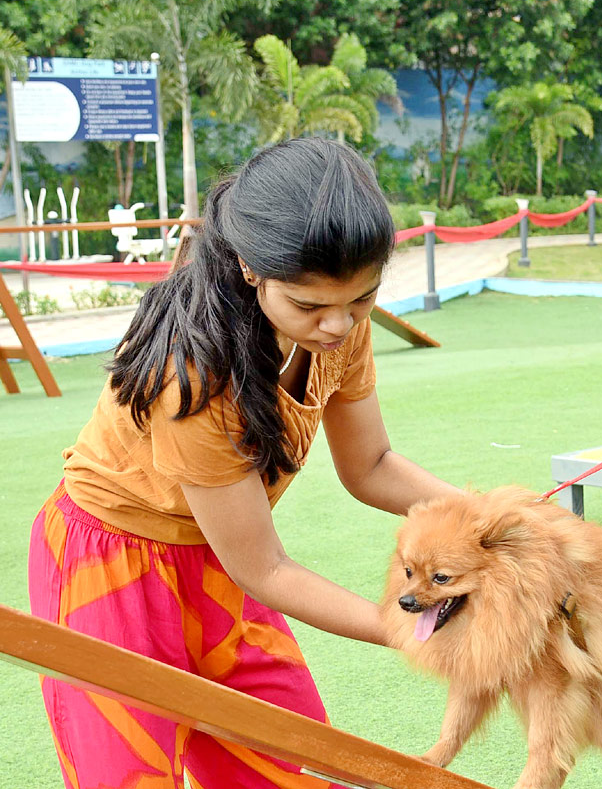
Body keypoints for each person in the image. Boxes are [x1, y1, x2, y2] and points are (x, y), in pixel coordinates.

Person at [28, 138, 461, 789]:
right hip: (111, 571)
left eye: (361, 300)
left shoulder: (338, 320)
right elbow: (265, 566)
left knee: (281, 759)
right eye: (311, 306)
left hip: (214, 561)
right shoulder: (195, 375)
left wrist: (486, 521)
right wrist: (410, 626)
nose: (338, 326)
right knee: (128, 776)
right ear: (251, 268)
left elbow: (370, 464)